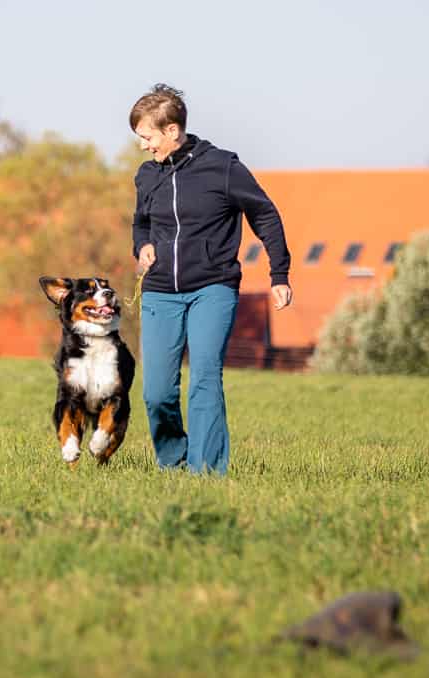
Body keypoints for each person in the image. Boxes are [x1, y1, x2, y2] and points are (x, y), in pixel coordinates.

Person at [129, 83, 292, 475]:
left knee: (204, 376)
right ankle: (172, 460)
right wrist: (143, 246)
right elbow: (141, 223)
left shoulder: (223, 167)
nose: (143, 146)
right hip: (160, 291)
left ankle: (205, 471)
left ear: (172, 130)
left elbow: (264, 214)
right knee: (157, 393)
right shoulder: (147, 176)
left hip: (212, 287)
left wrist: (279, 272)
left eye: (147, 137)